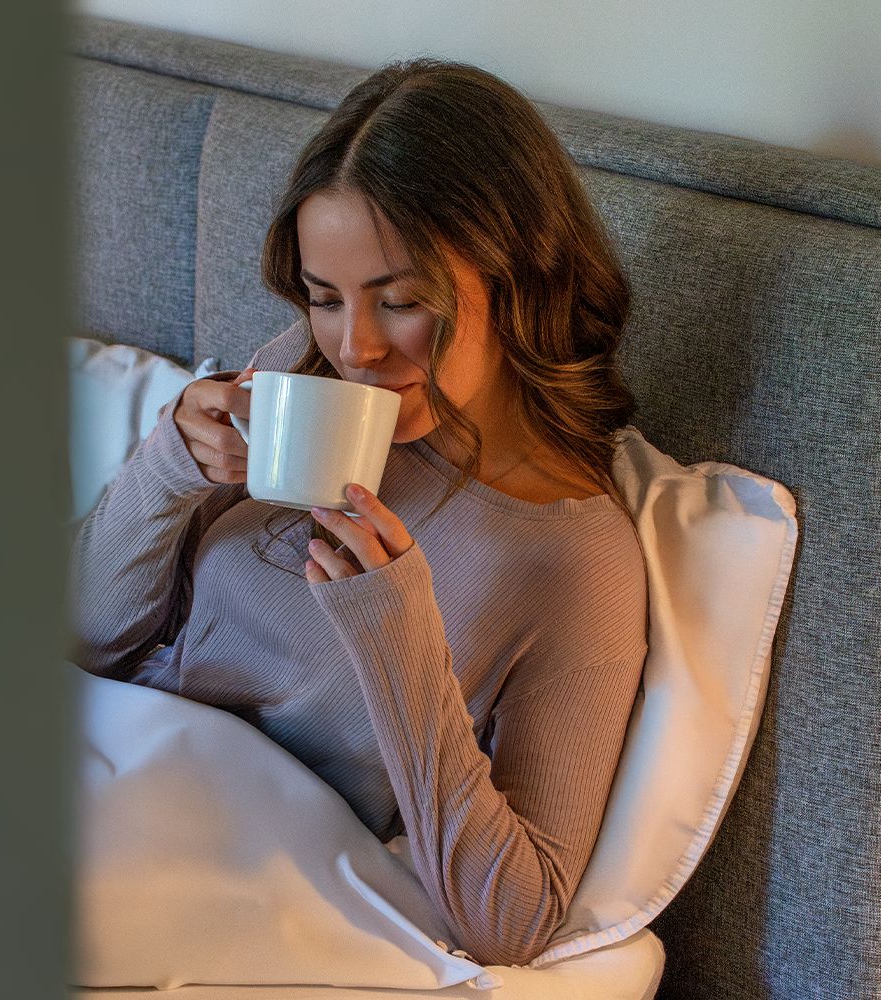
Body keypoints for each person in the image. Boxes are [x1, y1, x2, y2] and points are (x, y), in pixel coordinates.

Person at [70, 58, 648, 968]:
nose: (354, 346)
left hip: (208, 857)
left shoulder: (573, 559)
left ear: (520, 275)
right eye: (324, 297)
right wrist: (169, 469)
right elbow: (80, 638)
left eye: (403, 299)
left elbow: (511, 921)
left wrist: (397, 637)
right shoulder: (300, 379)